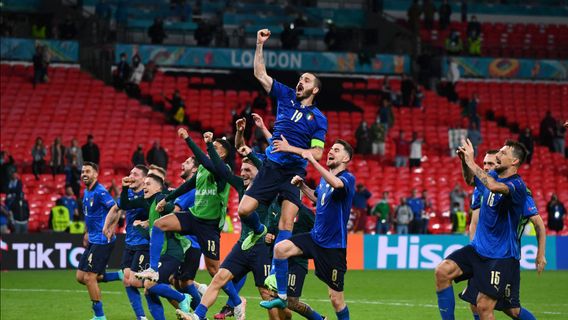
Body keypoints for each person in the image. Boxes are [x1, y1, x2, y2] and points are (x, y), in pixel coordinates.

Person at [237, 29, 328, 294]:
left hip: (294, 171)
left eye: (306, 79)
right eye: (300, 78)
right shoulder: (286, 95)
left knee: (286, 223)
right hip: (272, 167)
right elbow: (259, 74)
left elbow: (318, 155)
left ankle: (276, 277)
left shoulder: (319, 119)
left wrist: (291, 148)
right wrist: (259, 45)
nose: (301, 81)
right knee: (244, 211)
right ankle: (258, 230)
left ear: (315, 89)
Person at [138, 129, 245, 317]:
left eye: (216, 147)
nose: (209, 149)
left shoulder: (224, 170)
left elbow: (208, 162)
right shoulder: (203, 168)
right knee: (160, 224)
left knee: (214, 270)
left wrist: (190, 139)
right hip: (194, 217)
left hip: (209, 226)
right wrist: (167, 198)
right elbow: (188, 185)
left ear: (222, 153)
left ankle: (237, 301)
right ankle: (153, 270)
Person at [435, 139, 543, 320]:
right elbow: (470, 179)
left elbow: (493, 186)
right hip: (478, 249)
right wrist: (464, 161)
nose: (498, 155)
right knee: (442, 271)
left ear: (514, 161)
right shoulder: (492, 175)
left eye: (503, 153)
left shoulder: (518, 186)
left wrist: (471, 161)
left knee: (488, 307)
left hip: (500, 257)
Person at [176, 151, 279, 320]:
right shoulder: (240, 185)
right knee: (219, 279)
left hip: (262, 247)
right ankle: (198, 316)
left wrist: (274, 235)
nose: (243, 173)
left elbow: (279, 213)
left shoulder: (269, 189)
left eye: (248, 170)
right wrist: (210, 147)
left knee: (266, 293)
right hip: (242, 245)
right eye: (242, 169)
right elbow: (222, 171)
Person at [258, 140, 355, 320]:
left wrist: (313, 161)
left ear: (346, 158)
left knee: (336, 299)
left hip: (333, 247)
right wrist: (302, 186)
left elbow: (337, 184)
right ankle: (281, 296)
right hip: (315, 238)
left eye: (336, 150)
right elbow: (318, 199)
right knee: (280, 249)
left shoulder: (347, 178)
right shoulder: (325, 181)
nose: (330, 151)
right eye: (331, 149)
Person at [466, 148, 546, 320]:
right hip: (481, 254)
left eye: (491, 164)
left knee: (512, 310)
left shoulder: (516, 191)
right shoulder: (480, 188)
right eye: (484, 163)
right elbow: (474, 222)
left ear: (500, 166)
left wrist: (540, 254)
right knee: (474, 302)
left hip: (504, 256)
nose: (486, 167)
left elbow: (538, 223)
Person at [101, 165, 150, 320]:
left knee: (138, 282)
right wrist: (107, 226)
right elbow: (116, 209)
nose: (131, 176)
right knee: (127, 280)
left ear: (144, 179)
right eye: (130, 173)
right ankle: (141, 317)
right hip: (130, 242)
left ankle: (175, 292)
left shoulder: (149, 194)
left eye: (135, 174)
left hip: (145, 243)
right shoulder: (127, 193)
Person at [75, 162, 123, 320]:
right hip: (92, 239)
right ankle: (119, 275)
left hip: (103, 240)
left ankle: (100, 316)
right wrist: (86, 232)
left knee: (90, 278)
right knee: (81, 277)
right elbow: (88, 215)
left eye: (88, 171)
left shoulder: (100, 192)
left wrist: (111, 227)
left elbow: (116, 209)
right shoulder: (86, 191)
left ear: (96, 174)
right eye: (83, 172)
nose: (84, 174)